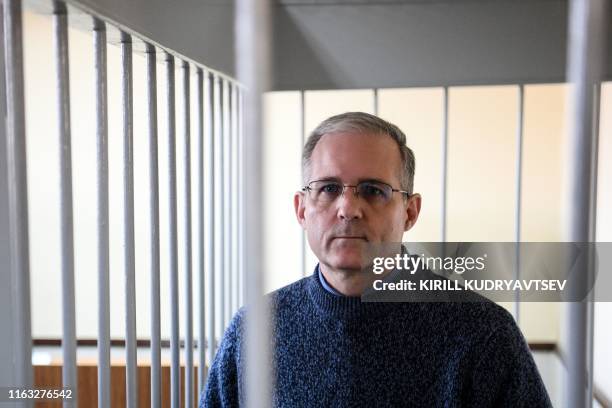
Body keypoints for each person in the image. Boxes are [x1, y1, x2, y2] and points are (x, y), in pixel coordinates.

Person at [200, 112, 551, 407]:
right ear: (302, 209)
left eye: (373, 190)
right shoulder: (252, 332)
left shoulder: (484, 336)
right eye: (328, 188)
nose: (349, 208)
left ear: (410, 212)